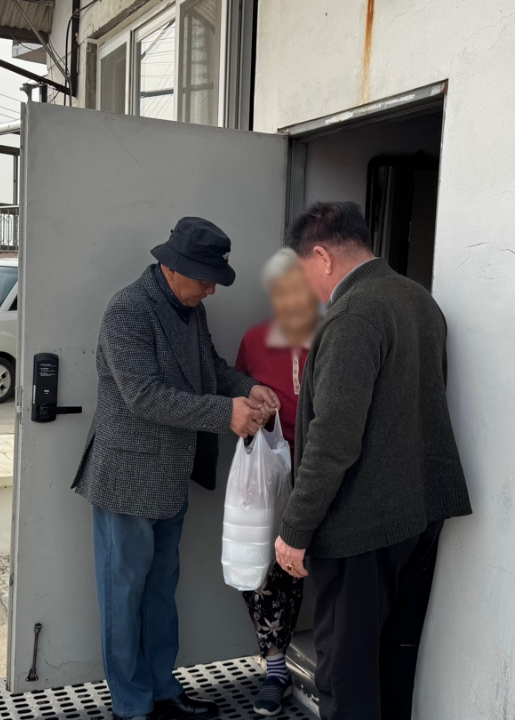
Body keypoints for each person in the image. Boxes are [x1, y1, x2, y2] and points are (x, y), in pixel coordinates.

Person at [73, 216, 279, 720]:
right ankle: (132, 706)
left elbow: (211, 368)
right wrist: (225, 414)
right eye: (206, 279)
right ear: (173, 267)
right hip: (126, 479)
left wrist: (247, 387)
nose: (211, 290)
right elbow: (143, 396)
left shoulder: (191, 311)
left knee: (160, 592)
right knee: (124, 596)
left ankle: (163, 691)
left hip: (169, 477)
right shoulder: (127, 309)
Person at [274, 201, 472, 720]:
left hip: (362, 527)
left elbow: (333, 438)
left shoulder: (353, 314)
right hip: (416, 514)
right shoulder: (418, 299)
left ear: (322, 257)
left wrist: (295, 529)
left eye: (302, 272)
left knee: (347, 676)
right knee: (392, 663)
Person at [232, 247, 320, 716]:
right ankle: (276, 669)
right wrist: (254, 408)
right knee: (263, 569)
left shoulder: (334, 334)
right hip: (268, 467)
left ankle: (336, 667)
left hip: (324, 467)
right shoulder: (254, 339)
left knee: (324, 564)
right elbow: (237, 391)